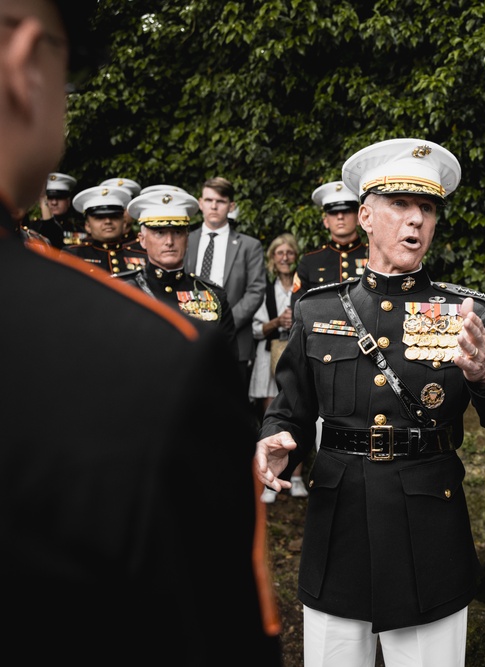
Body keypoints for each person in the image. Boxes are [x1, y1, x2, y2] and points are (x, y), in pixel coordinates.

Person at [0, 1, 281, 663]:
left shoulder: (194, 305)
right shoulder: (144, 352)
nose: (169, 241)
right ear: (25, 64)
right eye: (70, 74)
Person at [255, 138, 485, 666]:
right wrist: (275, 439)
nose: (416, 221)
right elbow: (290, 405)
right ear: (365, 215)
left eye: (427, 209)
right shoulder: (316, 310)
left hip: (428, 530)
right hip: (338, 525)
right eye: (400, 205)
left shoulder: (466, 312)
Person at [116, 188, 237, 356]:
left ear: (187, 238)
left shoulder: (213, 295)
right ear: (142, 240)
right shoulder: (120, 291)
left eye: (178, 232)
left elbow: (227, 365)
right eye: (160, 232)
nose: (169, 242)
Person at [186, 175, 267, 395]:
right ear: (200, 203)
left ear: (231, 206)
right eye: (209, 200)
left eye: (220, 201)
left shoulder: (249, 246)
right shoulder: (185, 240)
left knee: (231, 414)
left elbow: (256, 290)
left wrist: (224, 322)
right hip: (187, 337)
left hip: (235, 342)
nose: (214, 206)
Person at [250, 232, 309, 503]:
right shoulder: (264, 289)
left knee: (297, 410)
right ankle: (267, 481)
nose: (284, 258)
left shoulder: (304, 288)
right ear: (273, 259)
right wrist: (277, 322)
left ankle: (295, 477)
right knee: (272, 415)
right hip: (269, 356)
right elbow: (255, 329)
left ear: (295, 256)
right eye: (279, 253)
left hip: (298, 357)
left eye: (289, 252)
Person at [291, 179, 367, 303]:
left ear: (359, 217)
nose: (340, 217)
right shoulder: (310, 262)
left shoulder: (375, 257)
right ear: (325, 221)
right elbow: (297, 305)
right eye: (333, 212)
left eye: (347, 211)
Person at [62, 183, 147, 274]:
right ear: (88, 226)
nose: (108, 221)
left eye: (114, 216)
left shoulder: (143, 256)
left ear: (123, 223)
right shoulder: (73, 255)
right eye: (100, 217)